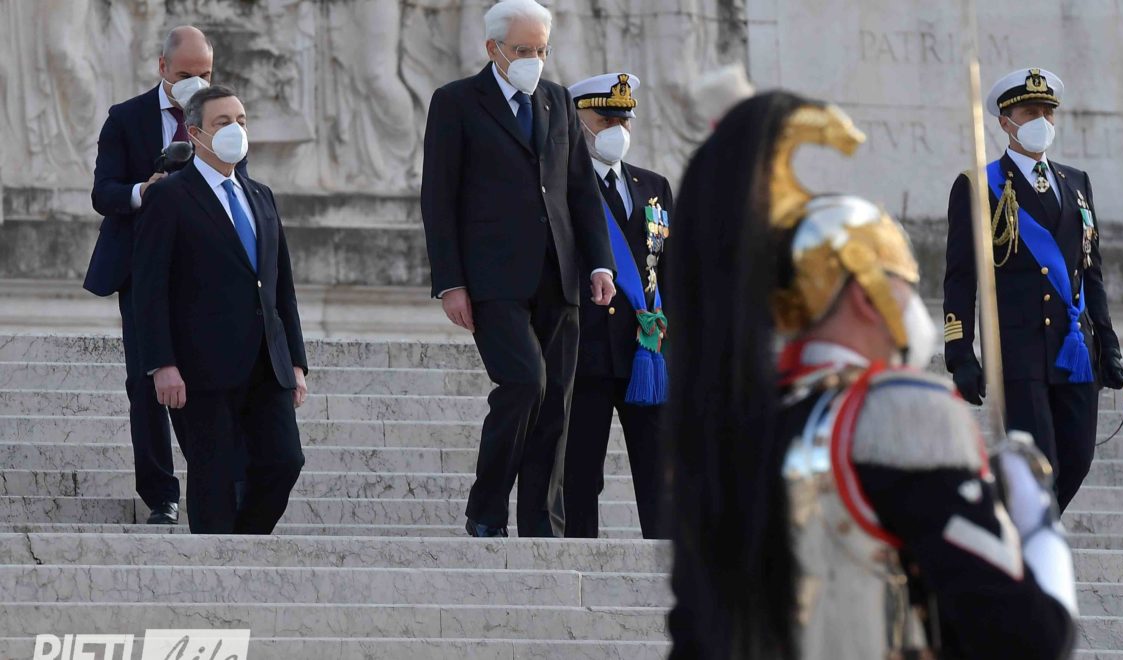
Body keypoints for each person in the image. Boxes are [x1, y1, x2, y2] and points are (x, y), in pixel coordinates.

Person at [665, 92, 1077, 659]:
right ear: (865, 296)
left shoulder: (740, 419)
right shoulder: (905, 412)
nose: (914, 301)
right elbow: (1029, 638)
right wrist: (1036, 524)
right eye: (906, 281)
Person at [420, 0, 617, 538]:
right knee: (525, 383)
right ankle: (486, 510)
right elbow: (438, 197)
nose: (534, 60)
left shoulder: (557, 100)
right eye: (523, 50)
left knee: (556, 406)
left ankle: (541, 526)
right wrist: (450, 282)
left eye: (541, 50)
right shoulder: (456, 102)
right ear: (493, 49)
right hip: (493, 280)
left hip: (560, 275)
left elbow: (581, 190)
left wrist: (600, 264)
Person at [84, 26, 247, 525]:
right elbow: (103, 191)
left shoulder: (224, 118)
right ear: (162, 68)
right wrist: (143, 191)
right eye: (186, 74)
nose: (197, 83)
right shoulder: (127, 118)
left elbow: (240, 186)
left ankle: (216, 479)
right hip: (143, 267)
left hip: (204, 271)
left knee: (211, 376)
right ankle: (161, 493)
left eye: (206, 74)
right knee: (146, 380)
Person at [943, 67, 1123, 511]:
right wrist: (960, 353)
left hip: (1074, 349)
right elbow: (961, 277)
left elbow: (1091, 270)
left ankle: (1024, 531)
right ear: (1006, 122)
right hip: (1018, 350)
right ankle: (1036, 543)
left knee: (1077, 459)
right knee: (1040, 465)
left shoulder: (1076, 183)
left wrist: (1108, 344)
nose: (1041, 120)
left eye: (1047, 111)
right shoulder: (978, 185)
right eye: (1030, 112)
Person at [132, 85, 307, 535]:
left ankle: (243, 544)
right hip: (200, 368)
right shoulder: (170, 197)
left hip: (266, 362)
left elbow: (281, 286)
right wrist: (162, 364)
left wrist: (295, 360)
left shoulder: (261, 195)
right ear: (195, 134)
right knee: (213, 478)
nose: (236, 130)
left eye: (241, 121)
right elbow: (149, 289)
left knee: (284, 461)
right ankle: (215, 563)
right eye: (223, 122)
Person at [563, 72, 671, 539]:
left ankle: (665, 557)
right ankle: (578, 555)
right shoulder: (563, 184)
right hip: (586, 348)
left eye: (624, 121)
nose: (617, 130)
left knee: (658, 467)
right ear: (578, 121)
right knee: (581, 470)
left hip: (645, 352)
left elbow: (667, 268)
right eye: (605, 120)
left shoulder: (653, 186)